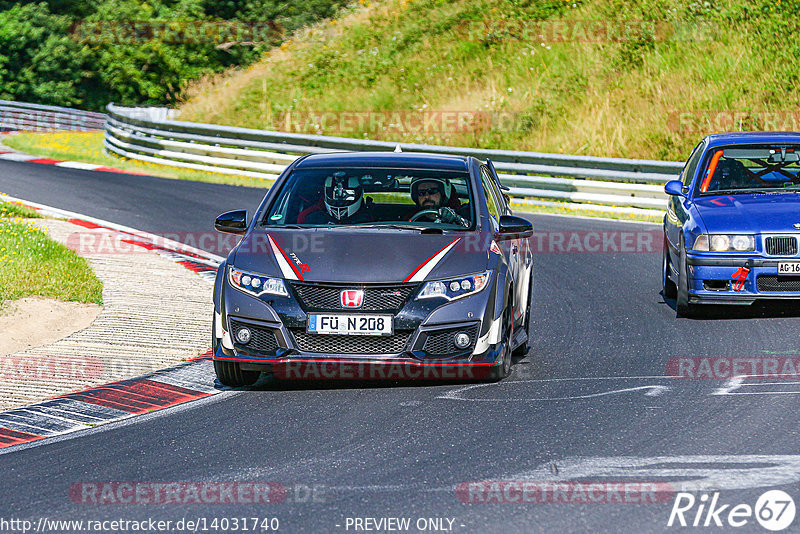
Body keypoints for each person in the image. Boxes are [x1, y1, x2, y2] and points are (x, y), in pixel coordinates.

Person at [304, 172, 374, 224]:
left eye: (347, 194)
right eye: (333, 194)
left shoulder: (369, 220)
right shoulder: (314, 219)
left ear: (359, 193)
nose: (340, 200)